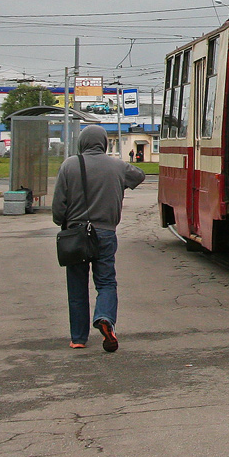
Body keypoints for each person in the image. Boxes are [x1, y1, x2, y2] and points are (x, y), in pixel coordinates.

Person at [52, 124, 146, 352]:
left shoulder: (69, 165)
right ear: (103, 143)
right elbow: (139, 176)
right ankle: (105, 318)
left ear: (81, 143)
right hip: (105, 233)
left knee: (76, 286)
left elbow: (58, 208)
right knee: (105, 282)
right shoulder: (117, 165)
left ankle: (78, 338)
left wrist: (62, 221)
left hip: (76, 235)